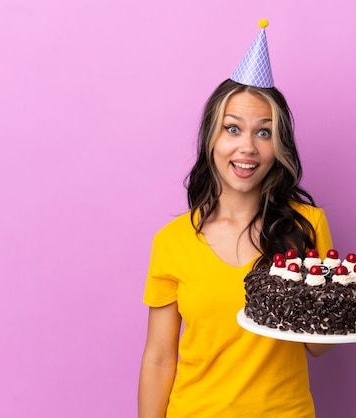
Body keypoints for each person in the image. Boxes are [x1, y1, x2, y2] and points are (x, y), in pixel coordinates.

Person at [138, 20, 335, 417]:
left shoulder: (306, 226)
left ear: (278, 145)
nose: (247, 147)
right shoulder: (172, 241)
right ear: (211, 137)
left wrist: (304, 290)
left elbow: (319, 346)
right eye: (233, 129)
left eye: (264, 133)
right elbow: (160, 359)